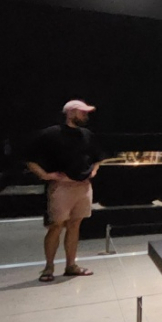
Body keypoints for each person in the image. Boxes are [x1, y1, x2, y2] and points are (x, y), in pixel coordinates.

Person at [27, 100, 104, 282]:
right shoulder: (51, 134)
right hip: (61, 187)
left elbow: (98, 156)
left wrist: (94, 170)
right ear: (70, 113)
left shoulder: (87, 135)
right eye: (81, 112)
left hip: (83, 187)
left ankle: (71, 265)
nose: (85, 116)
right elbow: (29, 157)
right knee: (56, 226)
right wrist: (46, 175)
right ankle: (49, 267)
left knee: (75, 224)